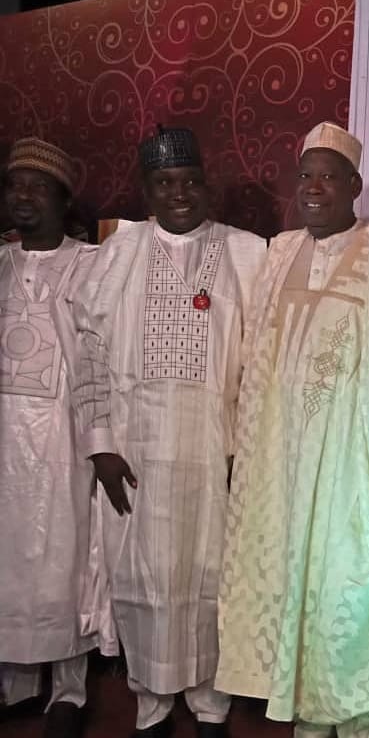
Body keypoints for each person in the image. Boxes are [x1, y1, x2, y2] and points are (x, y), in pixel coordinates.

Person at [216, 121, 369, 738]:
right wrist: (242, 446)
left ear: (354, 186)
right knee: (292, 589)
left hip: (355, 460)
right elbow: (253, 358)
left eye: (328, 177)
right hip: (278, 465)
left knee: (350, 588)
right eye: (305, 176)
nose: (313, 188)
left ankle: (360, 723)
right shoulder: (279, 250)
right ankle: (307, 722)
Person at [71, 126, 266, 738]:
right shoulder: (119, 253)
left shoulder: (247, 253)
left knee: (212, 576)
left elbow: (264, 359)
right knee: (144, 581)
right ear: (147, 192)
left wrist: (249, 448)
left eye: (189, 182)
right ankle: (152, 704)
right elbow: (90, 355)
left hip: (216, 449)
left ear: (207, 187)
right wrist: (100, 446)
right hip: (136, 451)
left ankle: (212, 705)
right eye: (164, 184)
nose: (178, 193)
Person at [0, 137, 105, 738]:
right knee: (11, 556)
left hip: (64, 436)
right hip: (7, 435)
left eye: (37, 187)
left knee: (65, 553)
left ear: (63, 199)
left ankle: (69, 688)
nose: (23, 196)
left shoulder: (88, 262)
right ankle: (15, 682)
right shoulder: (2, 261)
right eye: (15, 185)